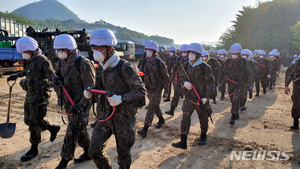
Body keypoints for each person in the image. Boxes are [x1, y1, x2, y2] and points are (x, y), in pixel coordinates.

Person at [84, 29, 146, 169]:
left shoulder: (125, 67)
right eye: (94, 48)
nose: (95, 51)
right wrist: (90, 92)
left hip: (123, 119)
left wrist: (122, 98)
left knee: (123, 155)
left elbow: (141, 91)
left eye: (99, 48)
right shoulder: (101, 67)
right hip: (105, 116)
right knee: (93, 150)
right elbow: (99, 86)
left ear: (109, 48)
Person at [7, 37, 60, 161]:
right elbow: (28, 71)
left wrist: (33, 83)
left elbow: (53, 78)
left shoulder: (43, 61)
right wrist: (18, 74)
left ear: (31, 50)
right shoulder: (30, 60)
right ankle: (52, 128)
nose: (23, 55)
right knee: (27, 120)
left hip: (40, 96)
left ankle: (34, 148)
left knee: (34, 123)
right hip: (30, 94)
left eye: (24, 52)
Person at [52, 34, 96, 169]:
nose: (59, 53)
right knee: (79, 129)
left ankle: (63, 162)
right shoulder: (62, 62)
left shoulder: (83, 64)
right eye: (58, 50)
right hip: (69, 103)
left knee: (72, 131)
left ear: (70, 49)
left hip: (81, 104)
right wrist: (56, 82)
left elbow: (91, 88)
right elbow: (58, 76)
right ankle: (88, 152)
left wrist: (81, 104)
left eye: (62, 50)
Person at [171, 43, 214, 149]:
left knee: (203, 118)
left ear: (198, 55)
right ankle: (183, 141)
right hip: (189, 97)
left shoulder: (205, 68)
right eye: (189, 52)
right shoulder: (185, 65)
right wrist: (184, 84)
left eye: (193, 53)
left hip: (201, 98)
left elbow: (210, 84)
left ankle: (203, 136)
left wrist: (206, 98)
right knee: (185, 117)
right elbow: (180, 79)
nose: (190, 55)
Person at [137, 41, 170, 138]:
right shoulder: (145, 61)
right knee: (155, 105)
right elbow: (141, 72)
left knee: (151, 107)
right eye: (147, 50)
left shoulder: (160, 63)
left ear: (154, 51)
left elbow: (166, 78)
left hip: (157, 88)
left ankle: (145, 129)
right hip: (148, 88)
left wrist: (166, 91)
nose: (148, 52)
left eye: (150, 50)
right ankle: (161, 119)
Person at [219, 43, 252, 125]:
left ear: (239, 54)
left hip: (240, 84)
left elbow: (250, 73)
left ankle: (233, 116)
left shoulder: (244, 62)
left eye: (235, 53)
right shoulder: (227, 61)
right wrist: (220, 83)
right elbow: (221, 72)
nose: (233, 55)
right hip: (230, 84)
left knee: (236, 99)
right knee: (232, 99)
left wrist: (250, 85)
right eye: (232, 53)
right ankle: (236, 113)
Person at [165, 44, 189, 116]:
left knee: (188, 96)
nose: (184, 53)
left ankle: (187, 113)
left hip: (188, 81)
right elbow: (175, 67)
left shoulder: (191, 60)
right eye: (182, 51)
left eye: (185, 51)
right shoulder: (179, 59)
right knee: (176, 95)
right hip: (179, 80)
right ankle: (172, 110)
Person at [285, 58, 300, 130]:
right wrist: (286, 85)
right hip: (298, 86)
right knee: (296, 103)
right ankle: (296, 123)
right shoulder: (297, 61)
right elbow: (289, 72)